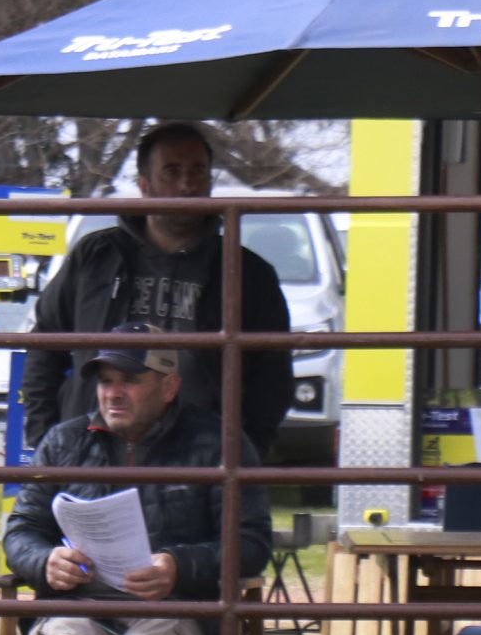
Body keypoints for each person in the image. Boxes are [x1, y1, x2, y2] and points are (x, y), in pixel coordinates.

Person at [2, 326, 271, 635]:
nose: (112, 391)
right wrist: (47, 562)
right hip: (82, 602)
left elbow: (251, 543)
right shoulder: (65, 442)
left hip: (177, 609)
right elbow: (20, 531)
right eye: (104, 380)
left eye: (128, 378)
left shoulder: (218, 444)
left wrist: (179, 565)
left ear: (169, 386)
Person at [18, 121, 289, 459]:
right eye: (171, 172)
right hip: (95, 453)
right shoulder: (95, 256)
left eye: (198, 171)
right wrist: (47, 442)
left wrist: (245, 456)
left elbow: (272, 381)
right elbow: (44, 347)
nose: (187, 184)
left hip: (200, 462)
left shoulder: (249, 273)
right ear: (144, 184)